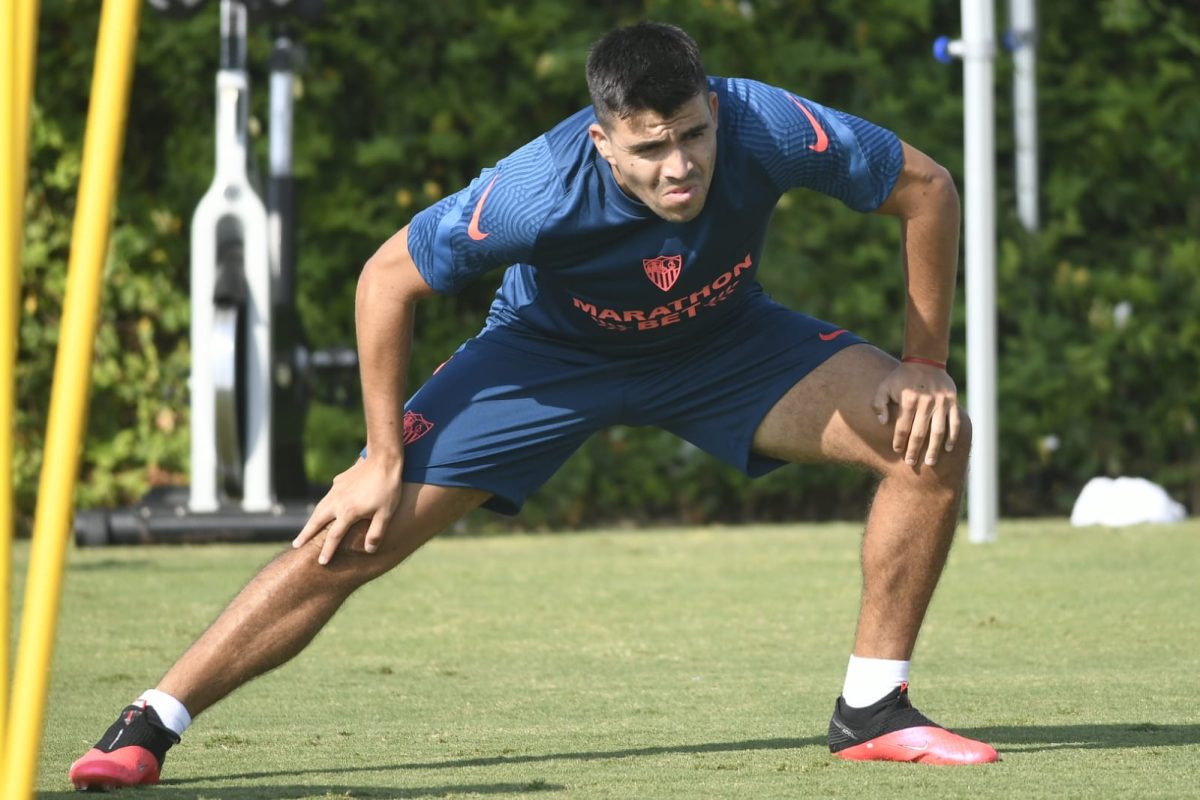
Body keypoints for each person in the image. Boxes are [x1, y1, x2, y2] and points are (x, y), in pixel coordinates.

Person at [69, 20, 997, 790]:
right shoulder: (536, 191)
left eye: (694, 136)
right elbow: (386, 279)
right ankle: (149, 723)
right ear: (603, 140)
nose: (681, 167)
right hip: (546, 357)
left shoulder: (770, 123)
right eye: (650, 148)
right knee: (358, 530)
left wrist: (924, 361)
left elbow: (925, 188)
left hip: (722, 343)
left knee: (925, 435)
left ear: (714, 108)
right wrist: (379, 457)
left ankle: (874, 708)